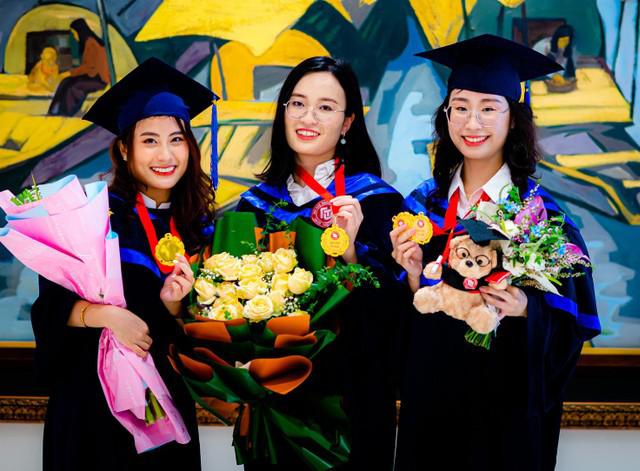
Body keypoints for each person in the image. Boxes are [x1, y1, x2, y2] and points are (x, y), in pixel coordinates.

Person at [390, 34, 600, 471]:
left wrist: (527, 309)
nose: (473, 122)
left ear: (513, 119)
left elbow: (572, 326)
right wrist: (411, 277)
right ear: (446, 115)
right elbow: (393, 327)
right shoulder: (421, 209)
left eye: (489, 108)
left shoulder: (541, 217)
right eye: (460, 107)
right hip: (432, 409)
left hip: (507, 415)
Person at [31, 57, 217, 470]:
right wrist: (107, 316)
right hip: (90, 409)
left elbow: (204, 340)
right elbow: (49, 310)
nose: (165, 154)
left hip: (164, 410)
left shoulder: (201, 228)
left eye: (176, 139)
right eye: (150, 141)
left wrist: (174, 307)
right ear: (124, 148)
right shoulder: (91, 216)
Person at [237, 56, 402, 469]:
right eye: (297, 103)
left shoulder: (376, 202)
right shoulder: (254, 206)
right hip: (276, 399)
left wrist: (351, 253)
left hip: (352, 402)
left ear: (347, 123)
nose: (307, 117)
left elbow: (394, 317)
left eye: (325, 107)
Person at [48, 18, 109, 116]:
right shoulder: (88, 42)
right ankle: (55, 110)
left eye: (74, 33)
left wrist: (70, 73)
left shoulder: (91, 44)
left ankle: (67, 113)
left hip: (99, 80)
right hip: (92, 76)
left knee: (73, 87)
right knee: (65, 81)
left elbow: (89, 67)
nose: (74, 36)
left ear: (80, 31)